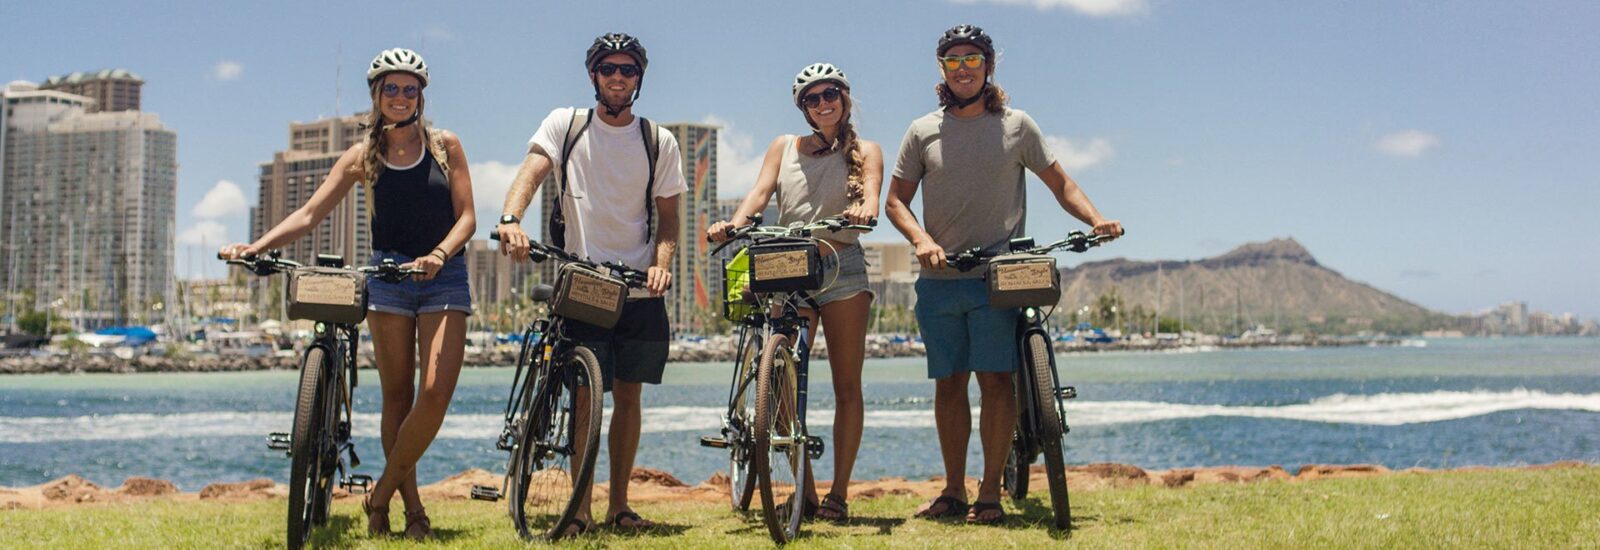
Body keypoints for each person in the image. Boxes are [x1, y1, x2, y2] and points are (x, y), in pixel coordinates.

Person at [220, 47, 476, 539]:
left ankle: (378, 495)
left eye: (409, 89)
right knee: (396, 398)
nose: (400, 97)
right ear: (376, 95)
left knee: (434, 393)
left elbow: (467, 217)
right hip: (389, 278)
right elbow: (310, 214)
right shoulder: (364, 156)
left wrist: (439, 255)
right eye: (391, 88)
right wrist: (255, 246)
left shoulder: (445, 145)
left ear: (421, 95)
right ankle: (412, 510)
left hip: (443, 275)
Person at [883, 25, 1122, 525]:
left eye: (973, 58)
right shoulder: (922, 131)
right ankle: (952, 491)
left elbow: (1062, 183)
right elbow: (896, 202)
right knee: (948, 385)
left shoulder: (1018, 126)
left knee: (997, 381)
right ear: (941, 70)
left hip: (1000, 276)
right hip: (941, 279)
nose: (964, 67)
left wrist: (1095, 218)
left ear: (989, 65)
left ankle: (989, 492)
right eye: (953, 61)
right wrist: (922, 242)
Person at [494, 32, 685, 534]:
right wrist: (511, 217)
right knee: (584, 396)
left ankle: (618, 506)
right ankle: (578, 509)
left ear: (639, 79)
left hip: (640, 287)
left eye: (627, 70)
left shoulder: (657, 140)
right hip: (584, 281)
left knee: (629, 396)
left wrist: (662, 263)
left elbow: (669, 221)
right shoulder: (567, 125)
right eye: (609, 69)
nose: (618, 77)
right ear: (594, 76)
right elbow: (532, 171)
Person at [706, 62, 882, 523]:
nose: (823, 104)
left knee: (847, 384)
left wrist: (862, 213)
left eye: (830, 95)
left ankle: (838, 494)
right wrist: (734, 224)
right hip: (787, 262)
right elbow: (760, 196)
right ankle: (802, 487)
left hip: (841, 266)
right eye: (812, 98)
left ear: (844, 98)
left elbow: (870, 199)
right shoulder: (783, 147)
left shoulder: (868, 150)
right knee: (781, 378)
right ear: (803, 108)